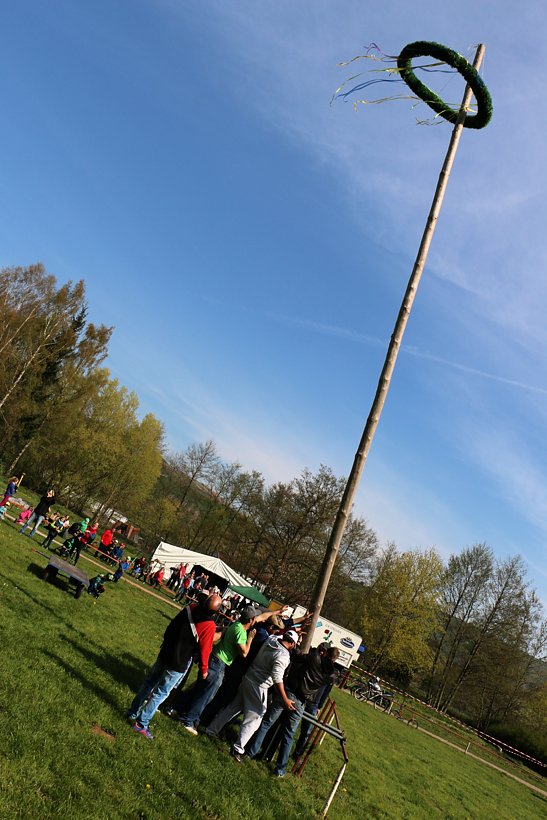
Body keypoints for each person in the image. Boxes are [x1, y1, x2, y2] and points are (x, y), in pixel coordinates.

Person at [126, 593, 223, 740]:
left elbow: (171, 627)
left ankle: (132, 712)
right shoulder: (209, 626)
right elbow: (205, 650)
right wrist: (204, 671)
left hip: (166, 652)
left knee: (149, 683)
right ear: (216, 612)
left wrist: (165, 645)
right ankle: (141, 723)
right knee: (161, 693)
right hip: (179, 662)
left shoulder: (190, 608)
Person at [174, 605, 274, 734]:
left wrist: (277, 612)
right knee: (206, 695)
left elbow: (261, 617)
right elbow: (244, 653)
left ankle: (177, 707)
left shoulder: (237, 624)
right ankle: (188, 719)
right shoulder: (241, 633)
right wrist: (250, 639)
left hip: (214, 659)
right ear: (251, 620)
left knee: (199, 688)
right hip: (219, 663)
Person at [205, 630, 299, 763]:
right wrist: (284, 698)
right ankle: (238, 748)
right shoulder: (283, 656)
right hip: (259, 686)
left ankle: (211, 729)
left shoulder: (271, 639)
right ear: (292, 643)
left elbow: (278, 634)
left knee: (233, 708)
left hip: (248, 677)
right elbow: (277, 678)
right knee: (255, 718)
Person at [246, 643, 340, 776]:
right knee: (289, 735)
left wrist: (298, 650)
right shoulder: (331, 676)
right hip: (301, 702)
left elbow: (295, 657)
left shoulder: (314, 658)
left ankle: (250, 752)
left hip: (289, 692)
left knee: (267, 723)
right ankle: (280, 769)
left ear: (324, 653)